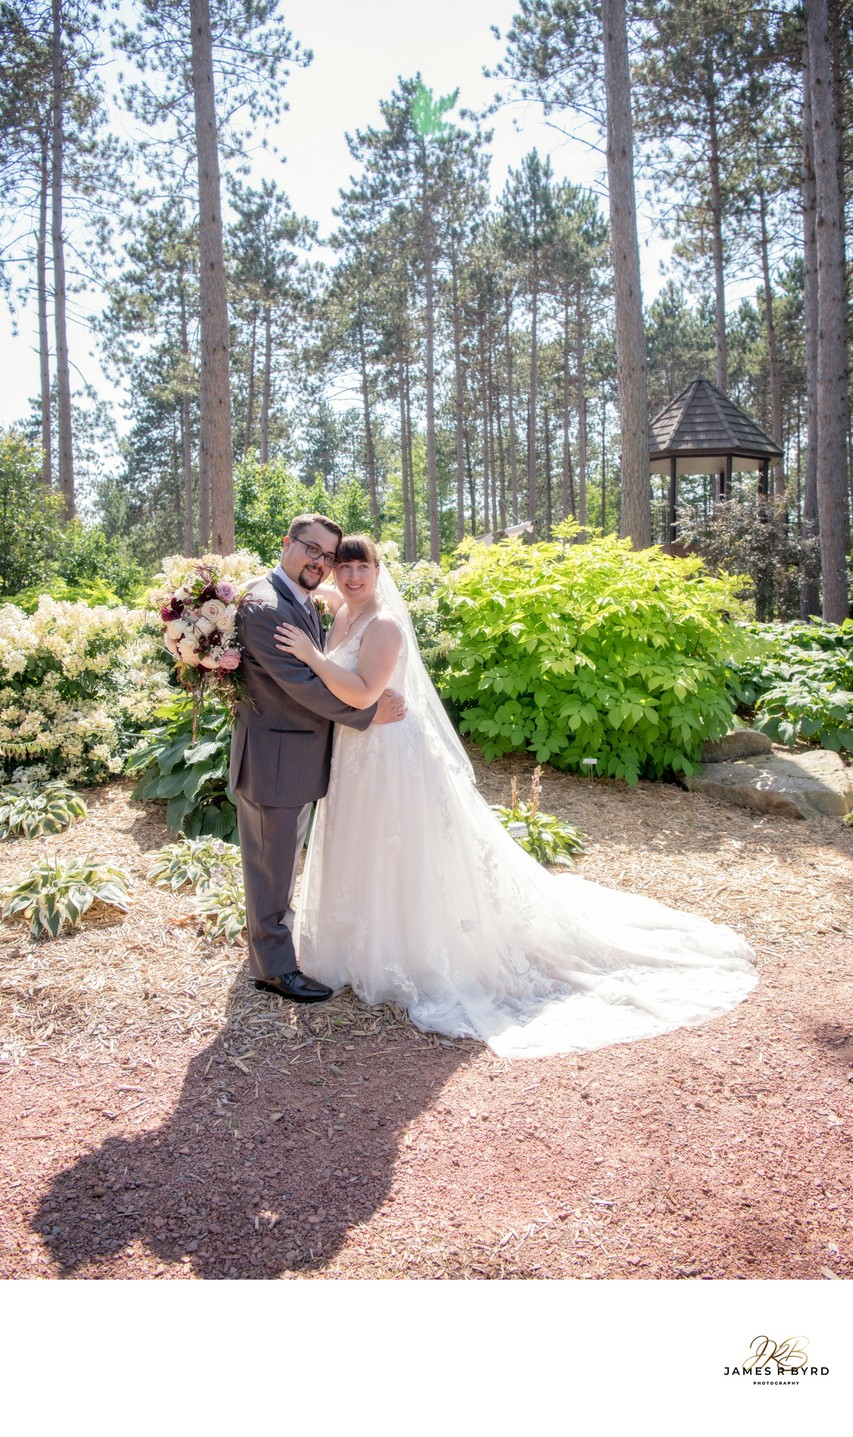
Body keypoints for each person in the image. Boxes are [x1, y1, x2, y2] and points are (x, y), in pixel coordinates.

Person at [275, 534, 757, 1059]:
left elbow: (365, 693)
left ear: (378, 569)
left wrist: (310, 657)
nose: (350, 577)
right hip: (355, 752)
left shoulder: (384, 625)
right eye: (341, 567)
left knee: (405, 848)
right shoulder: (338, 609)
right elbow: (284, 581)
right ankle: (362, 947)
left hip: (391, 752)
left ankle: (414, 954)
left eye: (360, 567)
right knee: (365, 842)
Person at [230, 514, 405, 1003]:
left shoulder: (300, 597)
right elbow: (304, 687)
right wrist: (368, 714)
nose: (321, 563)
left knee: (278, 861)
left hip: (292, 756)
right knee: (272, 862)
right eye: (313, 550)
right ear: (287, 543)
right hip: (276, 760)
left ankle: (271, 954)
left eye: (328, 556)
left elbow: (325, 632)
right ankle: (274, 971)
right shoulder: (269, 606)